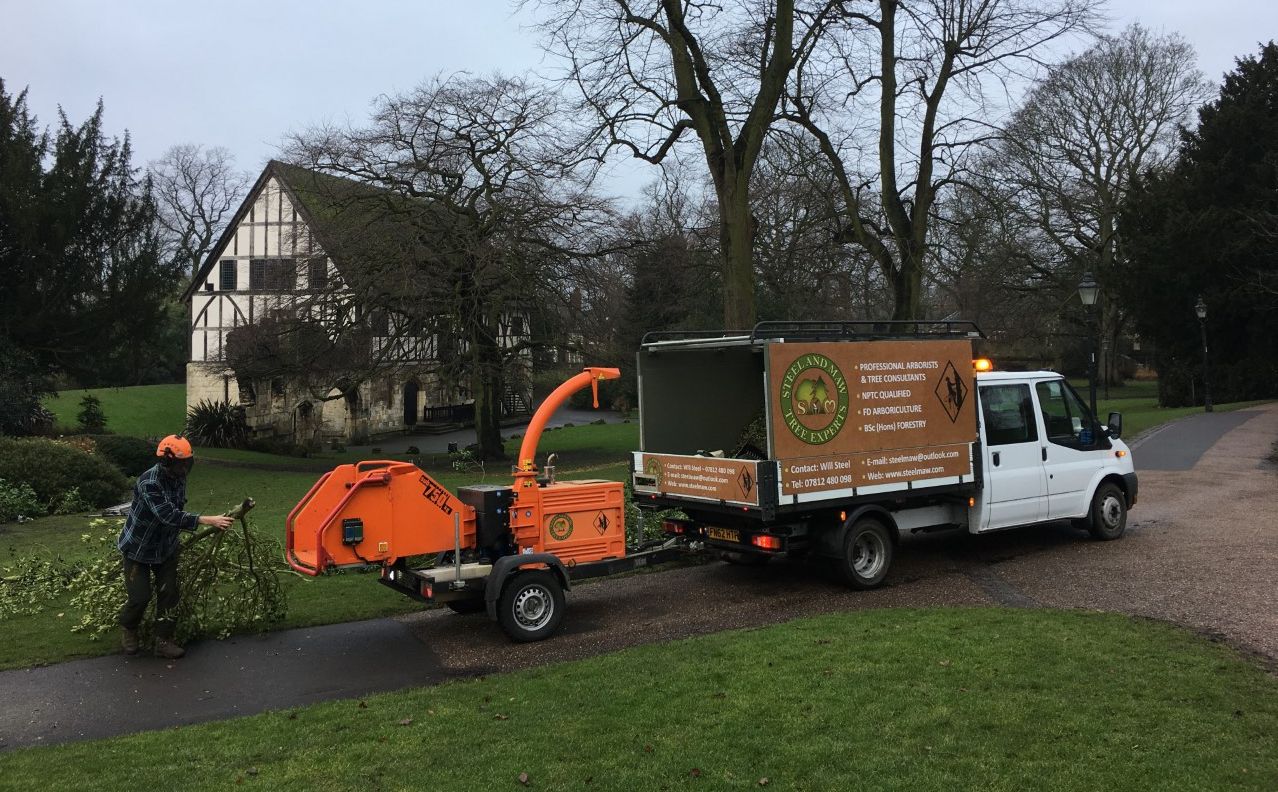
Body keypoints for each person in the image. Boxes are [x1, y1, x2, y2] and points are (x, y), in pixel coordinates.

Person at [117, 435, 233, 659]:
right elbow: (167, 514)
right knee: (140, 596)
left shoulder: (178, 477)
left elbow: (177, 508)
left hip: (166, 547)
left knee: (169, 594)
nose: (185, 469)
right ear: (167, 462)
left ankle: (163, 641)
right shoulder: (149, 482)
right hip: (138, 549)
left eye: (187, 463)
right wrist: (207, 520)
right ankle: (129, 628)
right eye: (181, 464)